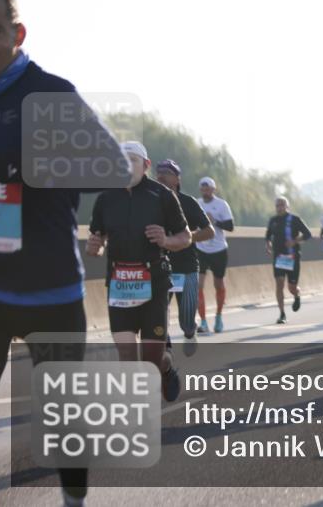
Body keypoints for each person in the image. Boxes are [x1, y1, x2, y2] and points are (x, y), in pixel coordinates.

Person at [0, 0, 130, 507]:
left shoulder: (49, 93)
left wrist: (38, 167)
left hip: (49, 288)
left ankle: (75, 500)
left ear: (17, 33)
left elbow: (116, 168)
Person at [87, 142, 191, 394]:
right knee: (127, 355)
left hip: (154, 283)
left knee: (152, 359)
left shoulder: (163, 195)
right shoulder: (105, 198)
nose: (126, 164)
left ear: (145, 165)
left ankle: (166, 370)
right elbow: (97, 242)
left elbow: (185, 237)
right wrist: (95, 247)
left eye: (132, 159)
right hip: (120, 284)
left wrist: (166, 241)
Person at [155, 161, 214, 357]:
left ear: (177, 178)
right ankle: (165, 348)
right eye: (158, 172)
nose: (161, 175)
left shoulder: (188, 202)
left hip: (186, 267)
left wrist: (186, 239)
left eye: (167, 172)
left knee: (186, 317)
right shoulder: (151, 200)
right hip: (160, 267)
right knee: (158, 313)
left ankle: (190, 332)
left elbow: (209, 231)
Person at [196, 177, 234, 334]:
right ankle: (203, 321)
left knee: (218, 284)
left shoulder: (222, 205)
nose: (205, 191)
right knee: (198, 285)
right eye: (202, 188)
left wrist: (215, 221)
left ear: (213, 189)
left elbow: (230, 226)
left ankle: (218, 316)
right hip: (201, 248)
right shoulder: (197, 203)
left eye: (208, 188)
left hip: (218, 249)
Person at [266, 197, 312, 324]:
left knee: (291, 287)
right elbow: (268, 235)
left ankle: (297, 295)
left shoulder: (295, 219)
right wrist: (268, 244)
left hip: (292, 257)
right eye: (277, 205)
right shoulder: (273, 220)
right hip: (278, 258)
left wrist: (295, 241)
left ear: (287, 207)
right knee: (279, 283)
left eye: (282, 205)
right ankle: (282, 314)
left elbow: (308, 234)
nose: (280, 207)